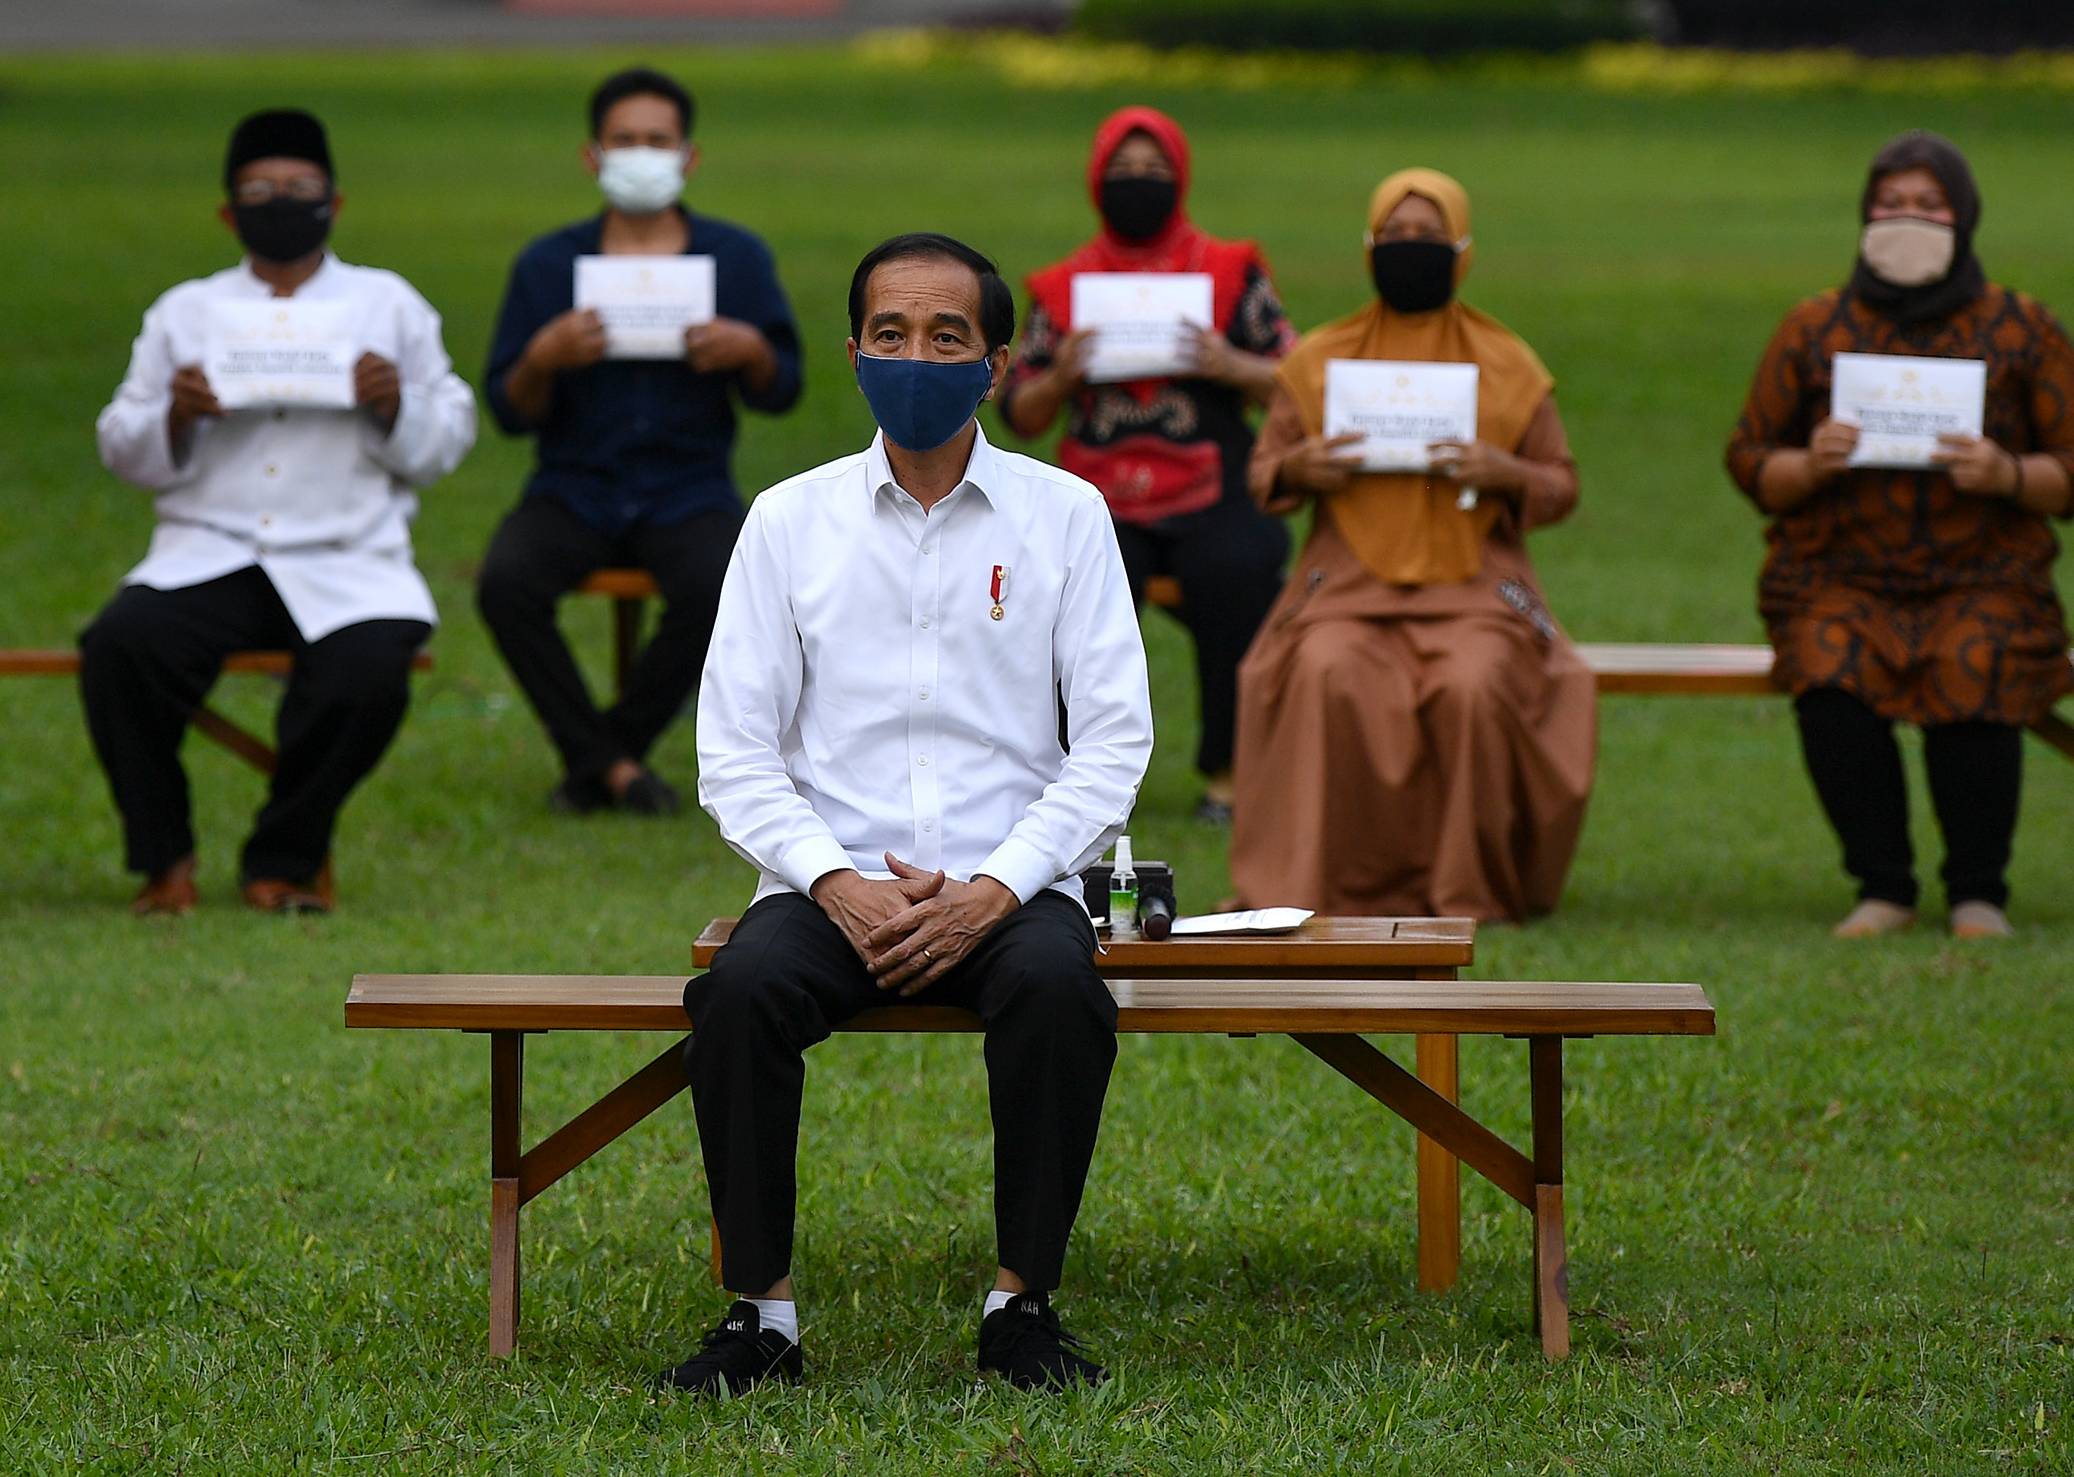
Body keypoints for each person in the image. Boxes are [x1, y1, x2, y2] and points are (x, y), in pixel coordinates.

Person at [663, 232, 1152, 1398]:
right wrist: (835, 882)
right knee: (736, 995)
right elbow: (732, 752)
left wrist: (994, 890)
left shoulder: (1065, 514)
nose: (915, 356)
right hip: (830, 883)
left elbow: (1114, 742)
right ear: (853, 353)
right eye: (891, 335)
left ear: (995, 363)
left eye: (947, 337)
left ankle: (1018, 1303)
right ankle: (761, 1313)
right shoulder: (787, 521)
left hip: (1011, 880)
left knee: (1054, 992)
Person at [87, 109, 478, 916]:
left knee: (370, 673)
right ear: (230, 213)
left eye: (301, 188)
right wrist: (175, 415)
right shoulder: (184, 311)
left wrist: (395, 404)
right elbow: (120, 445)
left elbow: (447, 441)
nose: (282, 202)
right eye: (260, 190)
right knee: (122, 647)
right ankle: (165, 859)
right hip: (213, 549)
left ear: (335, 202)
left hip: (348, 555)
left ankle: (285, 859)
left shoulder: (388, 304)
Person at [1724, 131, 2074, 940]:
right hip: (1839, 572)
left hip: (1985, 572)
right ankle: (1883, 885)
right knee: (1830, 668)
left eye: (1928, 205)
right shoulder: (1814, 325)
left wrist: (2008, 474)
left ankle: (1978, 891)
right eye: (1892, 204)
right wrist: (1811, 461)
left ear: (1964, 216)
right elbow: (1751, 460)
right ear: (1864, 213)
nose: (1909, 219)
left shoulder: (2022, 327)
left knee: (1976, 659)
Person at [1231, 168, 1593, 921]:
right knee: (1326, 672)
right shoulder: (1319, 358)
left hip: (1475, 593)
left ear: (1461, 250)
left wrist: (1507, 471)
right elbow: (1265, 473)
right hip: (1345, 591)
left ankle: (1467, 890)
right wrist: (1304, 465)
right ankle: (1319, 884)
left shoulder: (1509, 363)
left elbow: (1561, 485)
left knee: (1477, 683)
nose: (1411, 250)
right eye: (1395, 237)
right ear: (1369, 248)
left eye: (1429, 238)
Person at [476, 66, 803, 818]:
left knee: (725, 582)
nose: (641, 153)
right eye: (625, 139)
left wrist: (748, 348)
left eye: (657, 139)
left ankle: (602, 754)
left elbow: (782, 386)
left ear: (688, 156)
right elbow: (509, 406)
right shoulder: (548, 265)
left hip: (688, 487)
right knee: (506, 582)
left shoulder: (736, 258)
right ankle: (617, 766)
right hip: (575, 484)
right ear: (593, 156)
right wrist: (543, 356)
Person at [998, 105, 1294, 824]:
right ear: (1097, 180)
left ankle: (1229, 771)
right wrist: (1063, 376)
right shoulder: (1063, 285)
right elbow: (1019, 411)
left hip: (1212, 483)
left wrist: (1231, 363)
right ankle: (1069, 777)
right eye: (1122, 171)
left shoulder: (1229, 270)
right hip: (1099, 495)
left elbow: (1298, 381)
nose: (1139, 183)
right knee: (1084, 583)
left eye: (1155, 171)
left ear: (1183, 177)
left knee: (1236, 569)